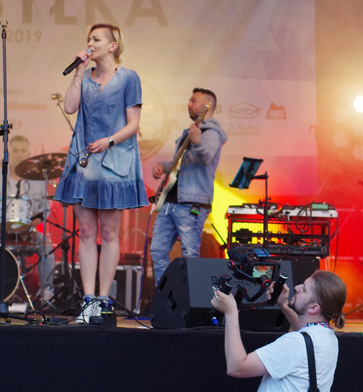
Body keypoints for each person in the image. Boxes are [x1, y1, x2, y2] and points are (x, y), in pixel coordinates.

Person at [54, 23, 148, 323]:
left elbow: (133, 124)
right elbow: (70, 108)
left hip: (113, 162)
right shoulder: (85, 78)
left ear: (112, 45)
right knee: (86, 232)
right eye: (88, 39)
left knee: (108, 232)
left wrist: (109, 140)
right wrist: (79, 70)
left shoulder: (128, 78)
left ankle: (103, 298)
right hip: (83, 161)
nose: (90, 43)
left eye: (96, 39)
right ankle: (88, 300)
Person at [210, 270, 347, 392]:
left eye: (304, 289)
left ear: (313, 308)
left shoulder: (295, 343)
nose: (297, 287)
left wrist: (231, 313)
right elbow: (306, 339)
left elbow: (237, 368)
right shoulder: (328, 336)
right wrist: (283, 304)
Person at [150, 88, 227, 285]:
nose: (188, 104)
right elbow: (183, 164)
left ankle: (190, 297)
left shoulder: (212, 133)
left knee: (190, 253)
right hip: (171, 202)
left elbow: (206, 157)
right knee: (157, 250)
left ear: (207, 105)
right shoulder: (192, 131)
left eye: (193, 100)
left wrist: (197, 141)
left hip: (191, 202)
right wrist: (163, 166)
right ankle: (165, 295)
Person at [6, 135, 55, 306]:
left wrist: (37, 220)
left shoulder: (37, 180)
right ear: (9, 152)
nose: (19, 154)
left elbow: (46, 209)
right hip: (2, 232)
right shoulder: (1, 177)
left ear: (28, 154)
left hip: (28, 231)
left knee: (46, 245)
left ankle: (47, 293)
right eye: (15, 150)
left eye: (22, 151)